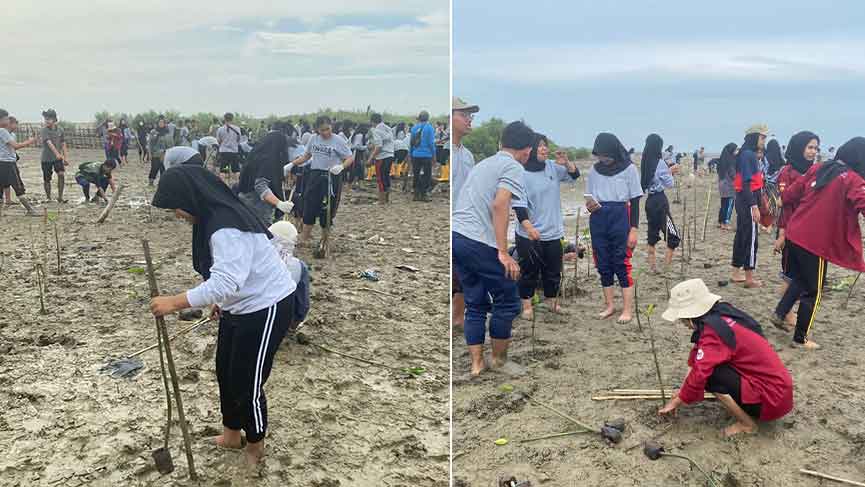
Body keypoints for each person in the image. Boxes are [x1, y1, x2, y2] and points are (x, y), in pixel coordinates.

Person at [149, 165, 296, 466]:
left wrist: (174, 303)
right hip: (239, 304)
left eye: (176, 207)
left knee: (246, 381)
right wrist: (223, 301)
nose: (177, 214)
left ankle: (255, 446)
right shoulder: (212, 218)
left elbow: (227, 281)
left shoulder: (225, 225)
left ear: (190, 198)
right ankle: (231, 435)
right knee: (226, 372)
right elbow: (231, 276)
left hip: (266, 305)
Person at [658, 279, 793, 437]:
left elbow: (701, 371)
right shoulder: (722, 313)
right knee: (709, 371)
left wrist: (677, 401)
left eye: (681, 319)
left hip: (771, 400)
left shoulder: (714, 331)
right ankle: (744, 409)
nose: (682, 323)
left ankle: (747, 424)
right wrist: (682, 392)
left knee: (711, 376)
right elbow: (697, 355)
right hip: (780, 391)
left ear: (689, 316)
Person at [452, 121, 532, 376]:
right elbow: (500, 205)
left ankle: (476, 364)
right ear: (527, 150)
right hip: (478, 241)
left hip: (457, 236)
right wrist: (503, 252)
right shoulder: (513, 166)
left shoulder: (484, 163)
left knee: (474, 302)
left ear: (501, 142)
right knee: (508, 300)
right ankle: (499, 360)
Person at [775, 137, 865, 350]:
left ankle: (779, 314)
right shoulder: (852, 179)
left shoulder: (819, 168)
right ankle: (800, 337)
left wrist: (782, 200)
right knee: (814, 290)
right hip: (815, 241)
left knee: (800, 279)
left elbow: (793, 191)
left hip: (795, 233)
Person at [513, 134, 579, 320]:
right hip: (529, 234)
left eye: (545, 145)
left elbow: (575, 175)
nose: (544, 149)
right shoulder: (520, 173)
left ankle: (552, 302)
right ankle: (527, 306)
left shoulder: (551, 166)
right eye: (540, 146)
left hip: (553, 231)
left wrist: (566, 163)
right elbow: (519, 206)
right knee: (529, 271)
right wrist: (528, 228)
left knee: (553, 270)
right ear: (530, 149)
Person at [586, 133, 643, 323]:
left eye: (606, 155)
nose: (603, 159)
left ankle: (627, 310)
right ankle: (609, 305)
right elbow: (589, 197)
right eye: (600, 155)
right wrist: (590, 206)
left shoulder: (629, 169)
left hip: (620, 216)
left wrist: (633, 229)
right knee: (603, 263)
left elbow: (635, 201)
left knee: (621, 262)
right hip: (598, 217)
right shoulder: (594, 170)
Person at [771, 131, 819, 332]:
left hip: (811, 232)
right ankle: (785, 312)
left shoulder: (817, 171)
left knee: (800, 275)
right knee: (791, 275)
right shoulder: (787, 173)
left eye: (816, 148)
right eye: (809, 147)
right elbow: (784, 205)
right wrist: (782, 234)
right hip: (792, 231)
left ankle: (783, 312)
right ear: (799, 147)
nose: (813, 152)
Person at [286, 116, 354, 252]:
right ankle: (305, 237)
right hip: (315, 175)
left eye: (327, 129)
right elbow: (306, 156)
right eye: (322, 130)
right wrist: (292, 164)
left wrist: (341, 166)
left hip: (331, 176)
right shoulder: (313, 139)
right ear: (317, 129)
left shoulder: (338, 141)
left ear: (331, 127)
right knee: (310, 204)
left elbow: (350, 157)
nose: (325, 132)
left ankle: (325, 238)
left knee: (327, 207)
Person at [450, 97, 480, 327]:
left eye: (471, 115)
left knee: (462, 273)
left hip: (464, 224)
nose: (469, 120)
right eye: (464, 114)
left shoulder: (468, 155)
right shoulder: (445, 151)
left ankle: (458, 318)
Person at [731, 124, 768, 288]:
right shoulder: (748, 155)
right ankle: (749, 278)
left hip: (743, 199)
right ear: (754, 137)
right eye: (762, 137)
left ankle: (736, 273)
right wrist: (754, 205)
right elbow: (746, 183)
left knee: (742, 235)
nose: (764, 141)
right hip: (748, 199)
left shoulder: (746, 154)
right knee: (750, 239)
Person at [237, 123, 295, 225]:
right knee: (261, 231)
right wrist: (279, 203)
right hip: (256, 203)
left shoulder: (257, 152)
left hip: (244, 198)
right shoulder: (269, 159)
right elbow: (260, 185)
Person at [640, 134, 680, 273]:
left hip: (649, 202)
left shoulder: (644, 162)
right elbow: (669, 184)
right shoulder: (660, 162)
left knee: (652, 234)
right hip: (660, 201)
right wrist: (670, 172)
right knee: (673, 235)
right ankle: (666, 267)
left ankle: (653, 267)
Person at [0, 109, 39, 215]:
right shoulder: (2, 131)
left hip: (3, 162)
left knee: (2, 186)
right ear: (2, 120)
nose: (8, 120)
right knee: (18, 186)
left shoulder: (7, 133)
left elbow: (12, 148)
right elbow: (16, 146)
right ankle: (30, 210)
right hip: (8, 163)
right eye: (6, 118)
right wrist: (30, 141)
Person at [40, 109, 69, 203]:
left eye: (49, 119)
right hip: (46, 158)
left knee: (61, 174)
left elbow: (63, 143)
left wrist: (65, 157)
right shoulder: (44, 130)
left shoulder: (60, 129)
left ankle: (60, 197)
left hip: (58, 158)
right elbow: (49, 143)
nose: (47, 121)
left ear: (55, 119)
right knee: (47, 179)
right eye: (45, 119)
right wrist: (57, 154)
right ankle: (48, 197)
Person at [367, 113, 395, 204]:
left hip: (382, 157)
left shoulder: (376, 130)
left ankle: (381, 200)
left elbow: (379, 147)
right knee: (386, 177)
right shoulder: (388, 128)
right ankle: (387, 199)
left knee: (380, 178)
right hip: (390, 155)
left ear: (372, 122)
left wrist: (370, 158)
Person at [410, 110, 436, 201]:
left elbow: (411, 143)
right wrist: (434, 155)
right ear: (428, 118)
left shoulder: (414, 128)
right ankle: (424, 194)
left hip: (415, 155)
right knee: (427, 175)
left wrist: (411, 154)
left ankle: (416, 194)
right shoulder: (430, 128)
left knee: (416, 174)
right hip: (427, 155)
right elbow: (431, 143)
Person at [716, 143, 737, 230]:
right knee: (728, 205)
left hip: (722, 185)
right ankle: (725, 223)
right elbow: (733, 175)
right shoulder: (730, 161)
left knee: (723, 204)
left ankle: (721, 221)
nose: (736, 152)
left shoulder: (722, 160)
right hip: (729, 186)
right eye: (735, 150)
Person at [217, 113, 243, 179]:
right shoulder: (237, 129)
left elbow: (219, 141)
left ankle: (224, 186)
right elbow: (239, 141)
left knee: (224, 170)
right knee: (236, 170)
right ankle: (237, 185)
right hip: (234, 152)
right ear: (232, 119)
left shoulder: (220, 129)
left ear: (224, 118)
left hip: (224, 153)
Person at [148, 118, 173, 186]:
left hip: (165, 154)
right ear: (157, 123)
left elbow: (171, 145)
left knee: (163, 168)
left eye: (162, 122)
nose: (161, 124)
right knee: (154, 167)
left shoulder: (168, 133)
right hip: (155, 153)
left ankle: (162, 182)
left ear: (165, 124)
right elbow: (150, 143)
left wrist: (168, 154)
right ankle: (151, 181)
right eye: (159, 122)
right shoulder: (153, 132)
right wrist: (150, 153)